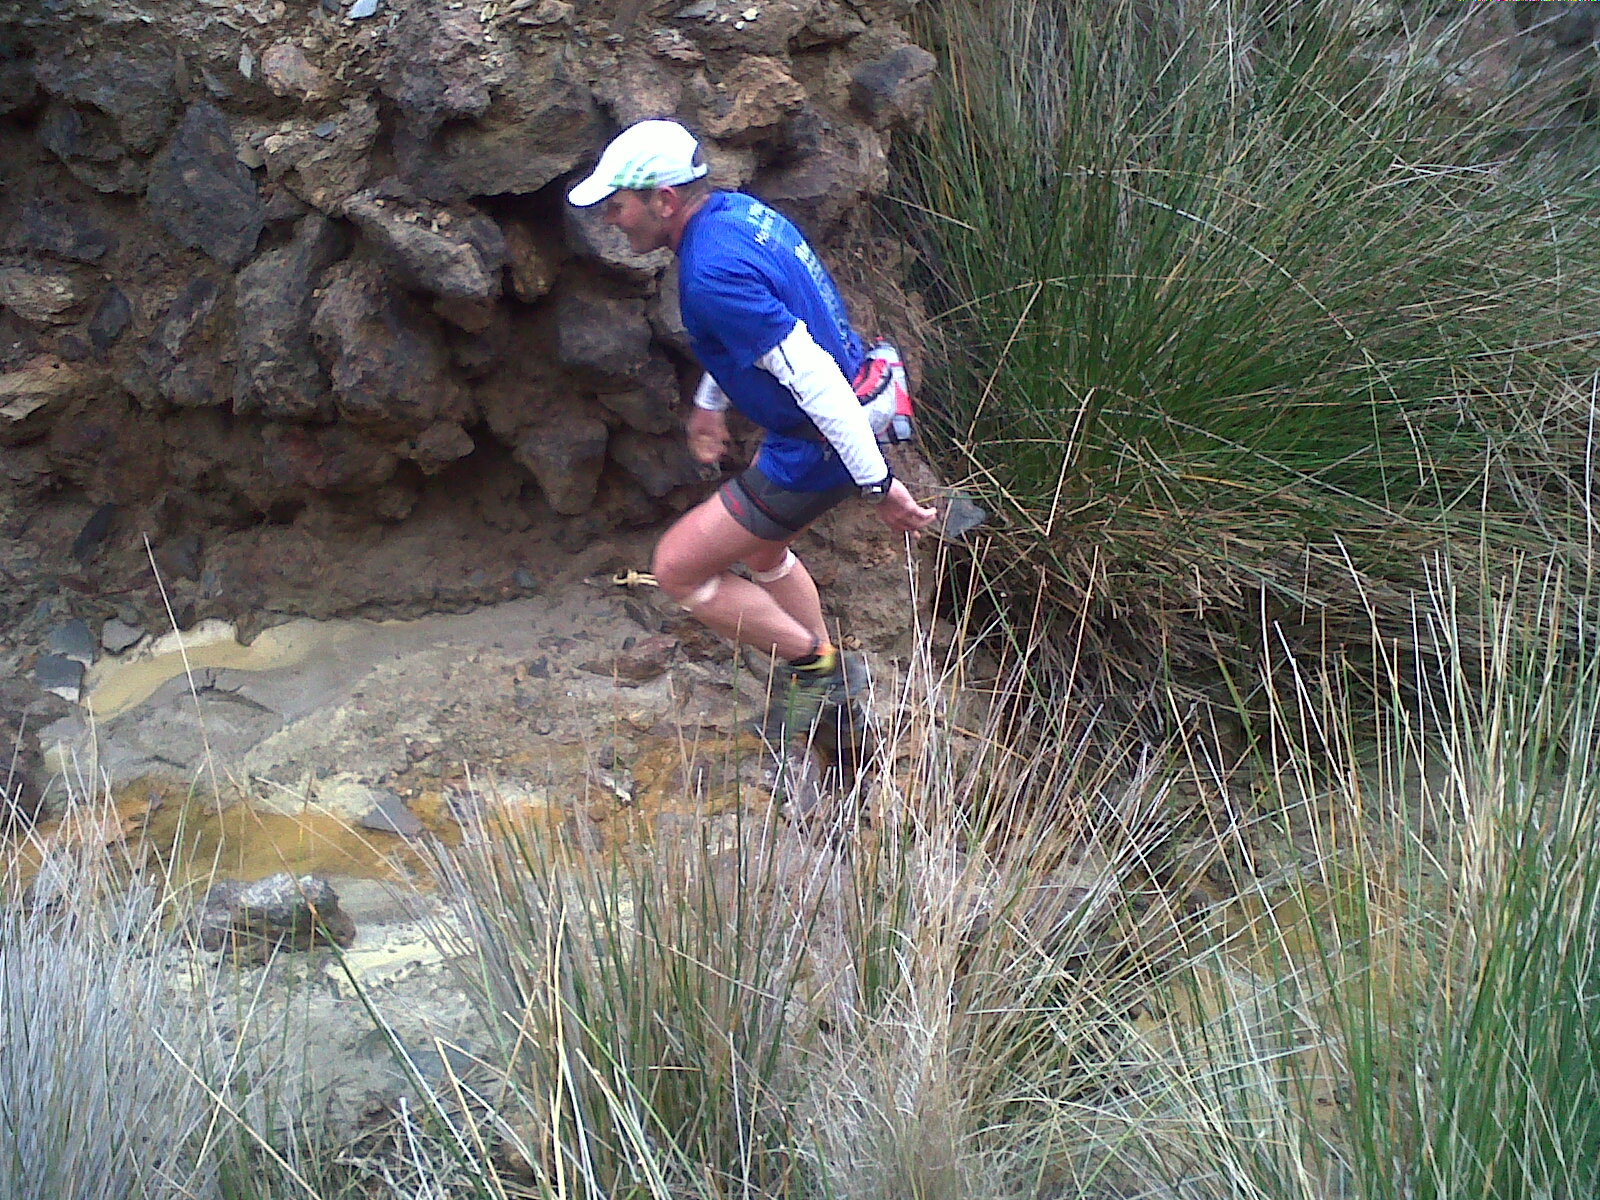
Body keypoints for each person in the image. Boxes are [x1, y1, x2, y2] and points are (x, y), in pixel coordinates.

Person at [567, 118, 937, 738]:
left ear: (664, 201)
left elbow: (815, 380)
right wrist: (710, 403)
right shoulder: (737, 215)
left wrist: (878, 486)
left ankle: (817, 670)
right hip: (827, 426)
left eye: (619, 204)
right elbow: (763, 339)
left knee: (677, 569)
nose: (611, 218)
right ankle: (828, 700)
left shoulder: (711, 274)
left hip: (816, 447)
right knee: (765, 551)